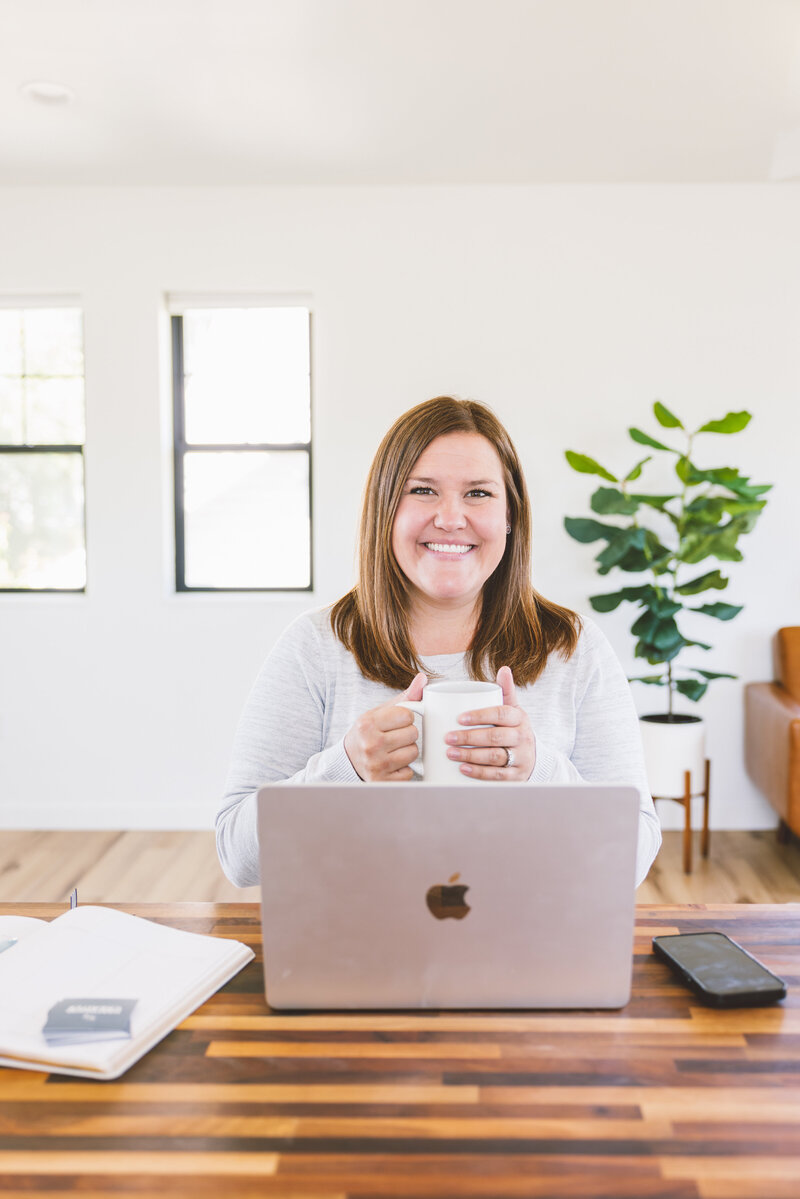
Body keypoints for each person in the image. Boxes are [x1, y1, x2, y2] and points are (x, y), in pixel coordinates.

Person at [217, 396, 661, 888]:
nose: (451, 518)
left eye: (478, 494)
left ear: (511, 516)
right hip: (361, 954)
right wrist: (345, 770)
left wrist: (539, 771)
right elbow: (238, 858)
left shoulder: (574, 649)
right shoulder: (315, 647)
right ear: (386, 510)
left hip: (531, 953)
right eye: (423, 490)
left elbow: (634, 858)